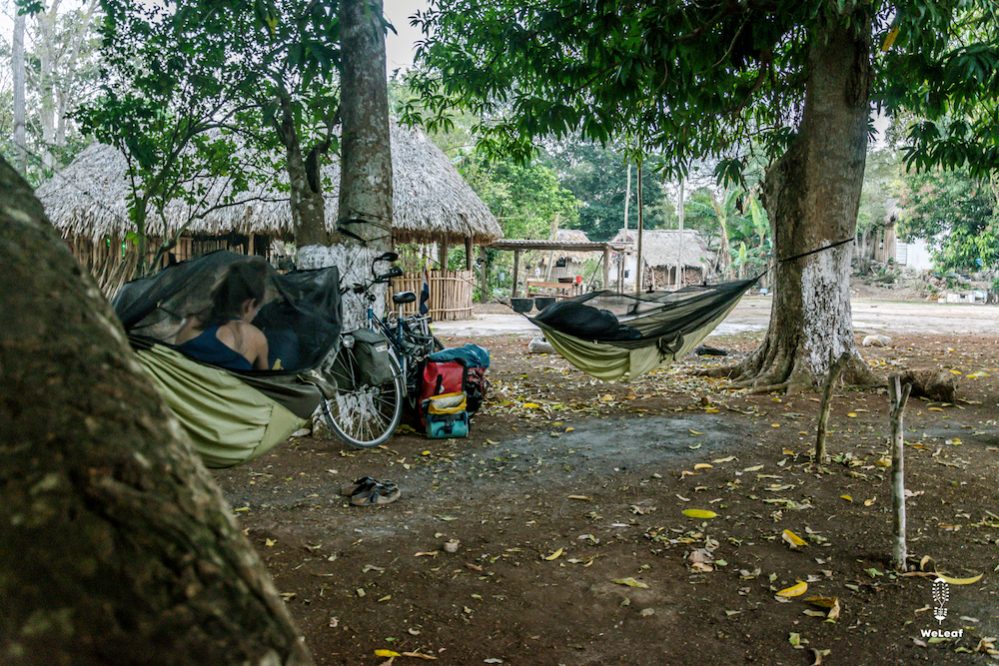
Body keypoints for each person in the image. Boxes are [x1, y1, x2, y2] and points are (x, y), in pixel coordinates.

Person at [175, 259, 270, 371]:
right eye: (257, 309)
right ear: (249, 305)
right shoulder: (256, 338)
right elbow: (266, 383)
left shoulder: (190, 323)